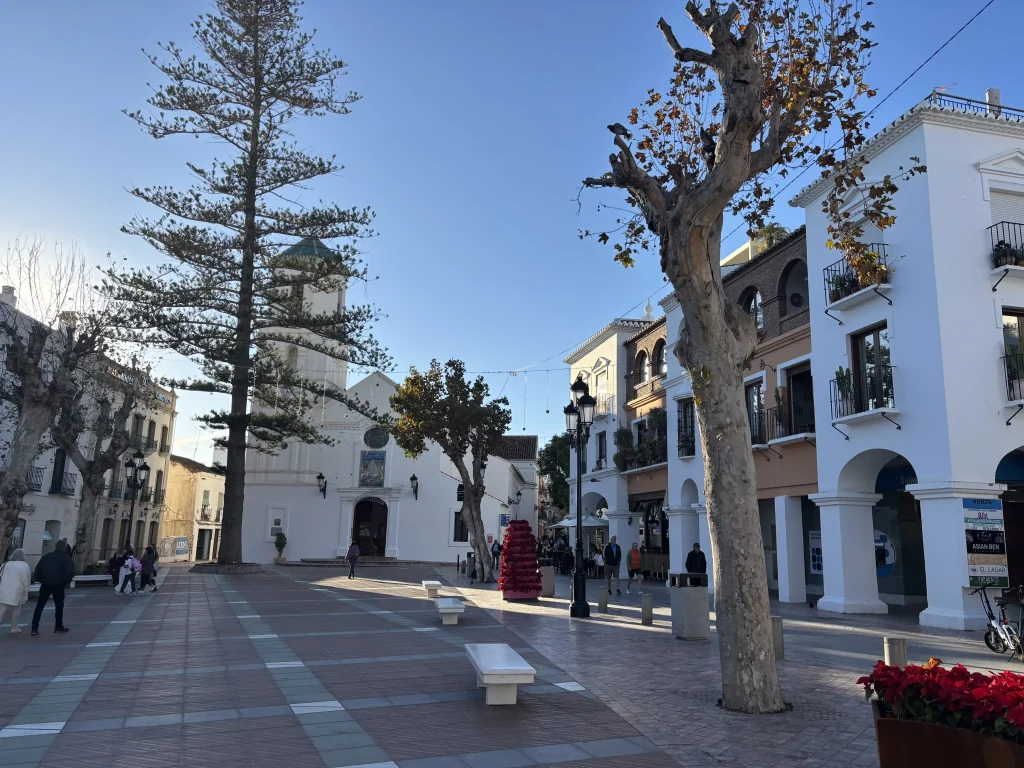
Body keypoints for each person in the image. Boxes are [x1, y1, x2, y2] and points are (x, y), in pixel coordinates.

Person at [30, 538, 74, 635]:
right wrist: (64, 582)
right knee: (59, 606)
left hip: (45, 584)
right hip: (58, 585)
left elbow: (38, 570)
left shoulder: (47, 556)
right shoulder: (66, 558)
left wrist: (42, 580)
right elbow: (70, 572)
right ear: (64, 547)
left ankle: (34, 628)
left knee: (40, 606)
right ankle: (58, 627)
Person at [0, 549, 32, 634]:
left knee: (2, 609)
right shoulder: (24, 565)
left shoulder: (5, 564)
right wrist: (26, 591)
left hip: (3, 589)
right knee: (16, 609)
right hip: (17, 591)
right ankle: (14, 627)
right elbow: (26, 580)